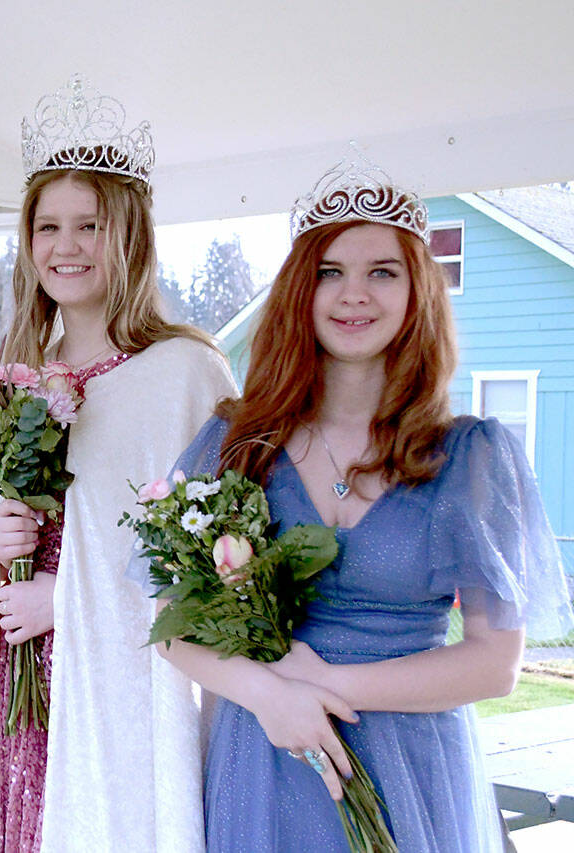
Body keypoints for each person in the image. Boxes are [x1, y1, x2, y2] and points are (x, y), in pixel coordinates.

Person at [152, 151, 574, 851]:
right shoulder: (238, 442)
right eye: (330, 273)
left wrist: (327, 681)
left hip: (411, 764)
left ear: (417, 293)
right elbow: (171, 621)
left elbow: (495, 663)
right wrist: (271, 697)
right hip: (269, 760)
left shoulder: (468, 456)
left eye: (382, 271)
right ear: (299, 292)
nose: (355, 295)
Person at [0, 75, 237, 853]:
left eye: (89, 225)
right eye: (47, 226)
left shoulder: (183, 373)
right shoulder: (14, 377)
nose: (64, 247)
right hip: (16, 690)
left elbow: (215, 560)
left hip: (118, 690)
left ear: (127, 234)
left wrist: (68, 599)